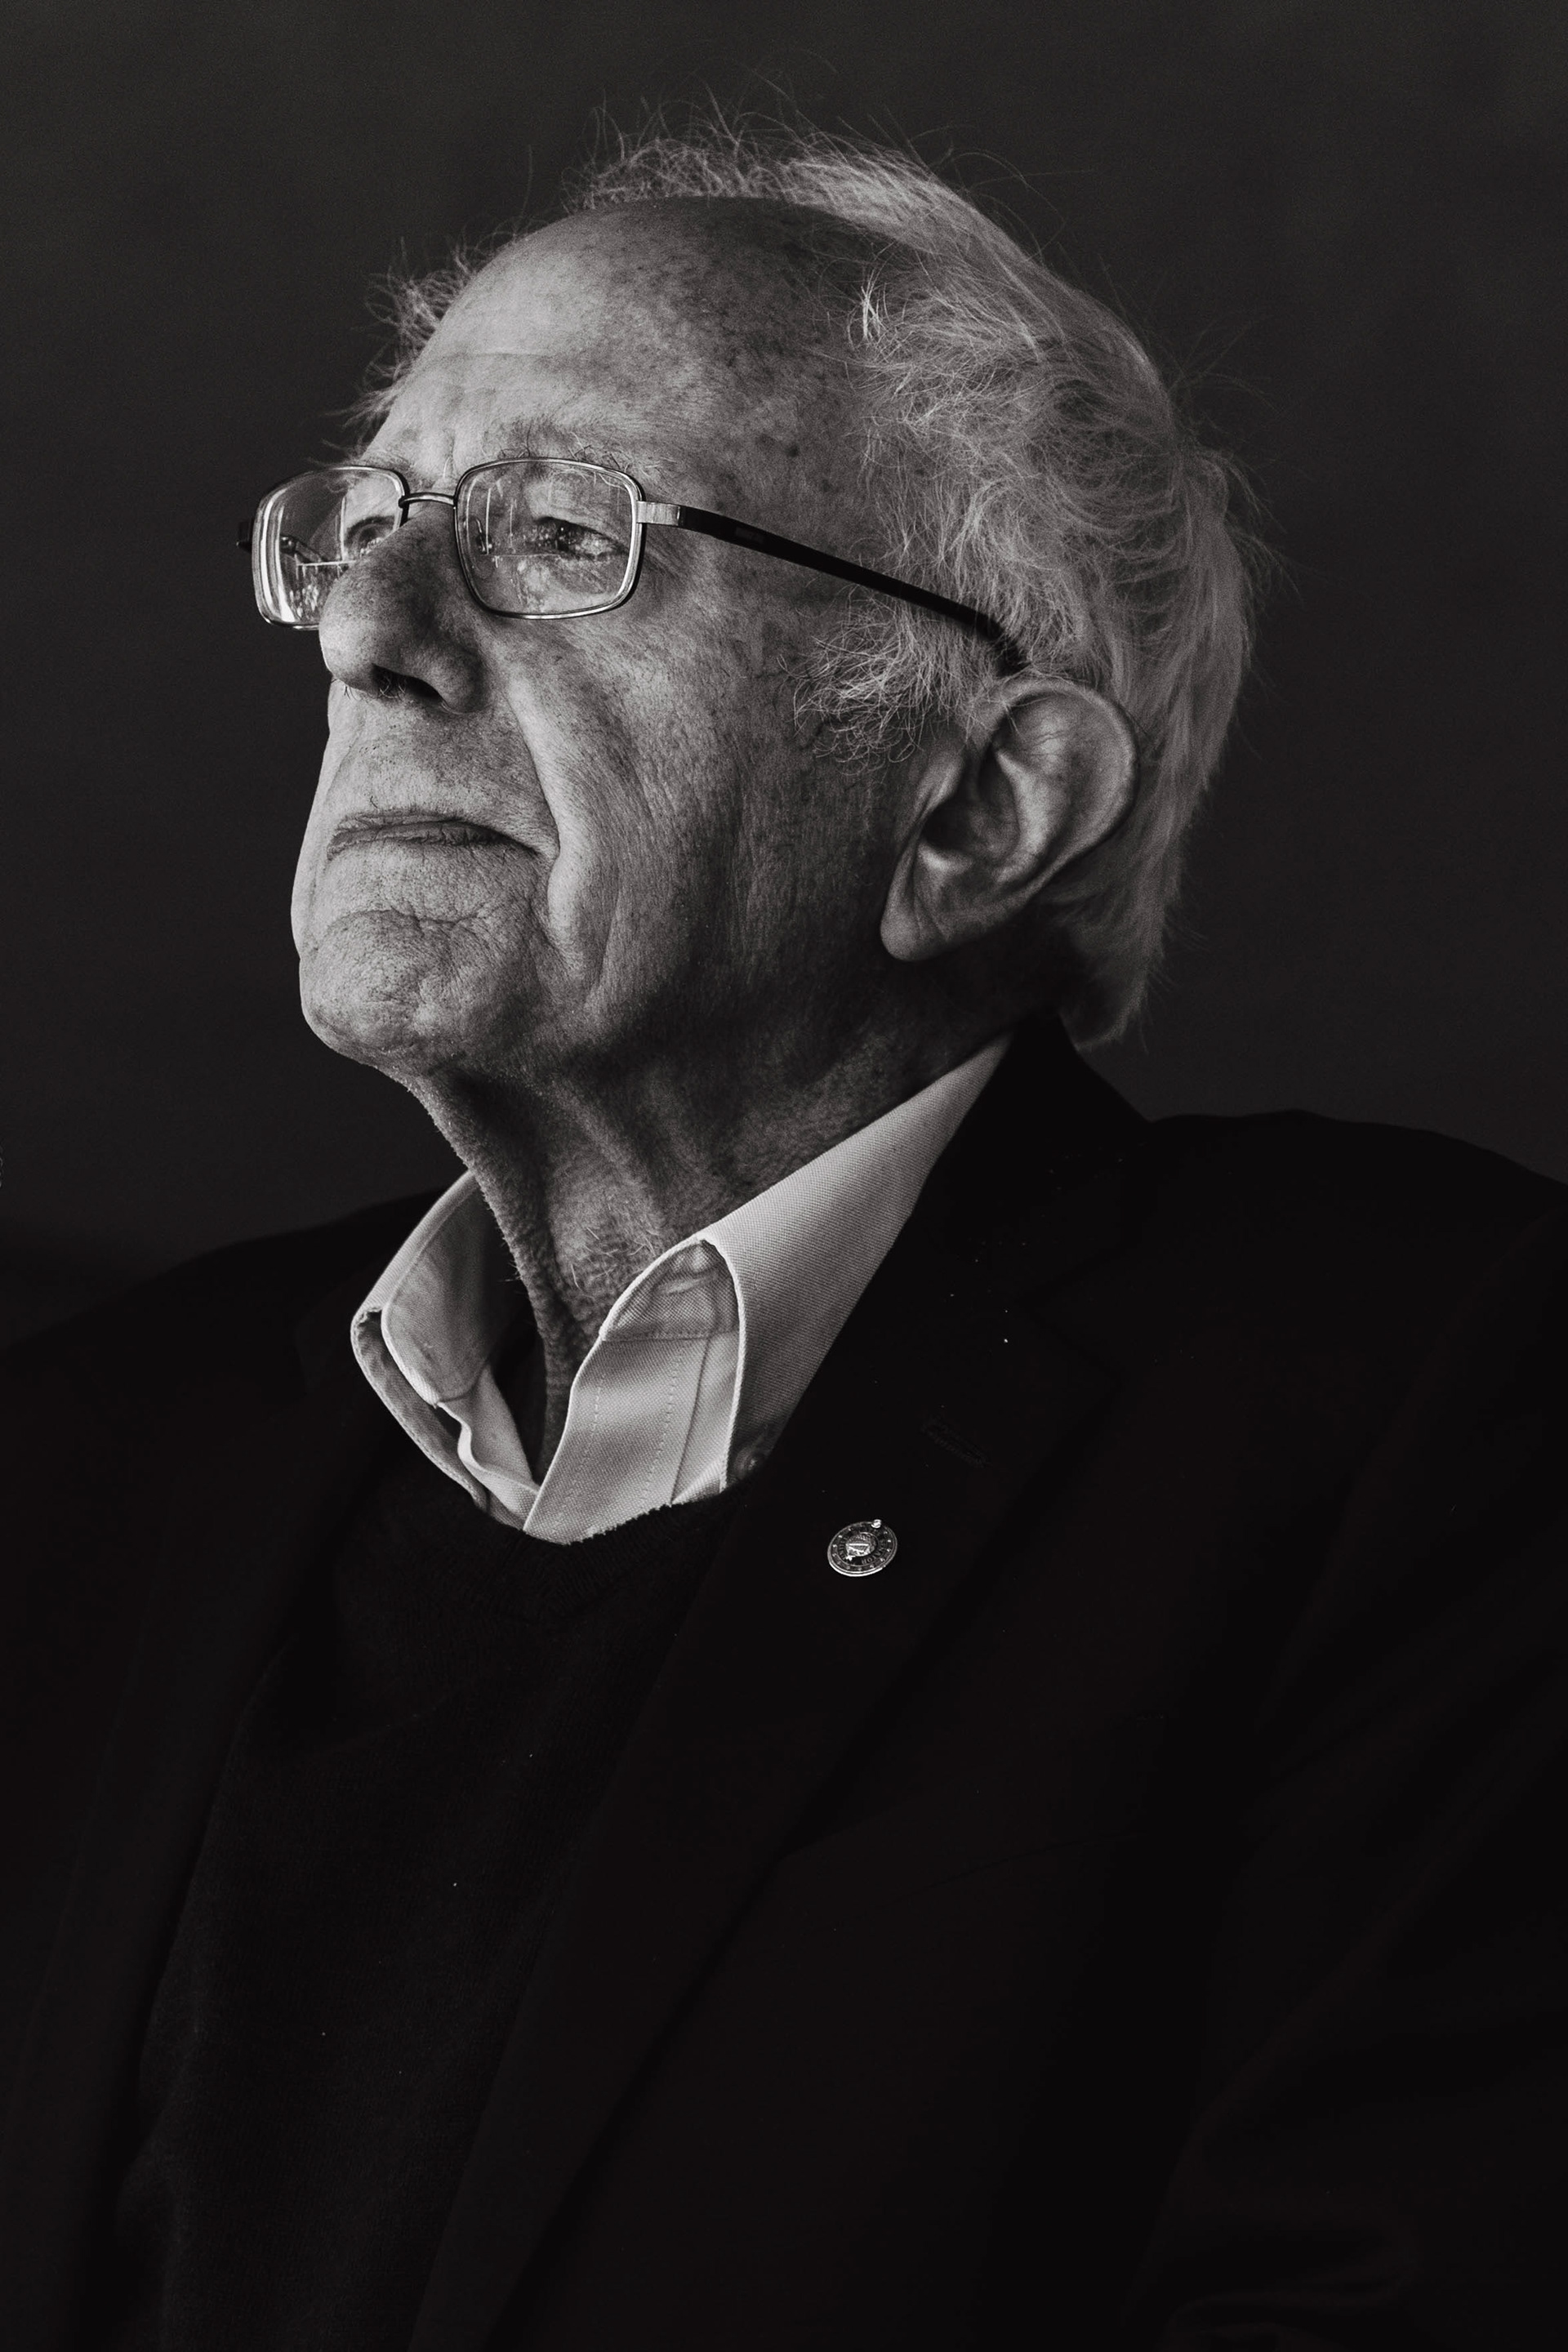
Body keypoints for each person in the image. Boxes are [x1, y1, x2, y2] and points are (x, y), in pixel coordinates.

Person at [2, 122, 1566, 2350]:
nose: (368, 631)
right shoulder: (76, 1466)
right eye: (362, 528)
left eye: (559, 535)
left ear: (977, 805)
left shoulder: (1420, 1392)